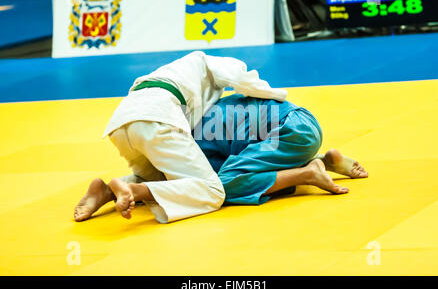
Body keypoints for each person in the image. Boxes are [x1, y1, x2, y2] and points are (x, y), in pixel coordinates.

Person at [74, 51, 288, 223]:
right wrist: (280, 96)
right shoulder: (206, 60)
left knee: (162, 178)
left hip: (120, 123)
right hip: (157, 117)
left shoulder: (172, 71)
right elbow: (244, 80)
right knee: (213, 191)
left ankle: (108, 190)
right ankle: (133, 190)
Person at [194, 94, 368, 205]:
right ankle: (322, 161)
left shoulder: (188, 143)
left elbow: (230, 178)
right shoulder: (207, 107)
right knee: (246, 166)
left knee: (219, 187)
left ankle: (307, 173)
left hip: (288, 135)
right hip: (304, 121)